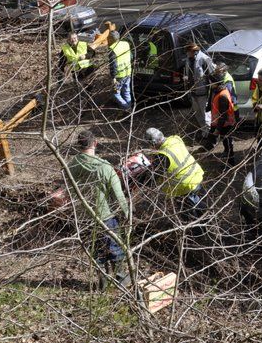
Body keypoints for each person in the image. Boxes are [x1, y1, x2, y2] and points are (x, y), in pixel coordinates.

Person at [66, 130, 130, 289]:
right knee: (116, 249)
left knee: (96, 254)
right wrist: (127, 213)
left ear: (78, 146)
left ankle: (103, 284)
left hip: (84, 218)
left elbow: (68, 190)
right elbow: (118, 195)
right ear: (95, 143)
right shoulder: (105, 167)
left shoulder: (71, 166)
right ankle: (122, 282)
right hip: (106, 217)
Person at [144, 128, 205, 213]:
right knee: (201, 205)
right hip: (196, 176)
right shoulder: (175, 139)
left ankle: (197, 224)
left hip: (183, 187)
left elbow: (151, 177)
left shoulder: (163, 156)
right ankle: (207, 218)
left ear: (153, 143)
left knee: (189, 214)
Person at [183, 42, 215, 139]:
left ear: (193, 51)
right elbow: (187, 73)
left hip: (204, 94)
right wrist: (186, 78)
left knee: (206, 117)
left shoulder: (204, 59)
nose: (187, 53)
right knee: (198, 115)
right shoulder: (188, 60)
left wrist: (211, 91)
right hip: (193, 93)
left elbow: (213, 75)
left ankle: (210, 137)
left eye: (188, 52)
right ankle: (204, 133)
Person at [204, 73, 236, 166]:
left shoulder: (222, 95)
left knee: (228, 144)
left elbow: (223, 115)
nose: (210, 84)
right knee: (226, 143)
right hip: (221, 123)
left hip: (225, 125)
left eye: (211, 82)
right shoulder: (218, 90)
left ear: (216, 82)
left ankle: (231, 163)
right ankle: (228, 160)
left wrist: (217, 129)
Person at [108, 31, 133, 110]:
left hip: (119, 75)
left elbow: (113, 65)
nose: (108, 39)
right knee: (126, 92)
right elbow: (131, 56)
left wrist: (113, 77)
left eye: (108, 38)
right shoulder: (125, 44)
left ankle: (127, 108)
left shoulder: (112, 49)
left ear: (111, 39)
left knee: (115, 94)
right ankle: (129, 111)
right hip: (128, 72)